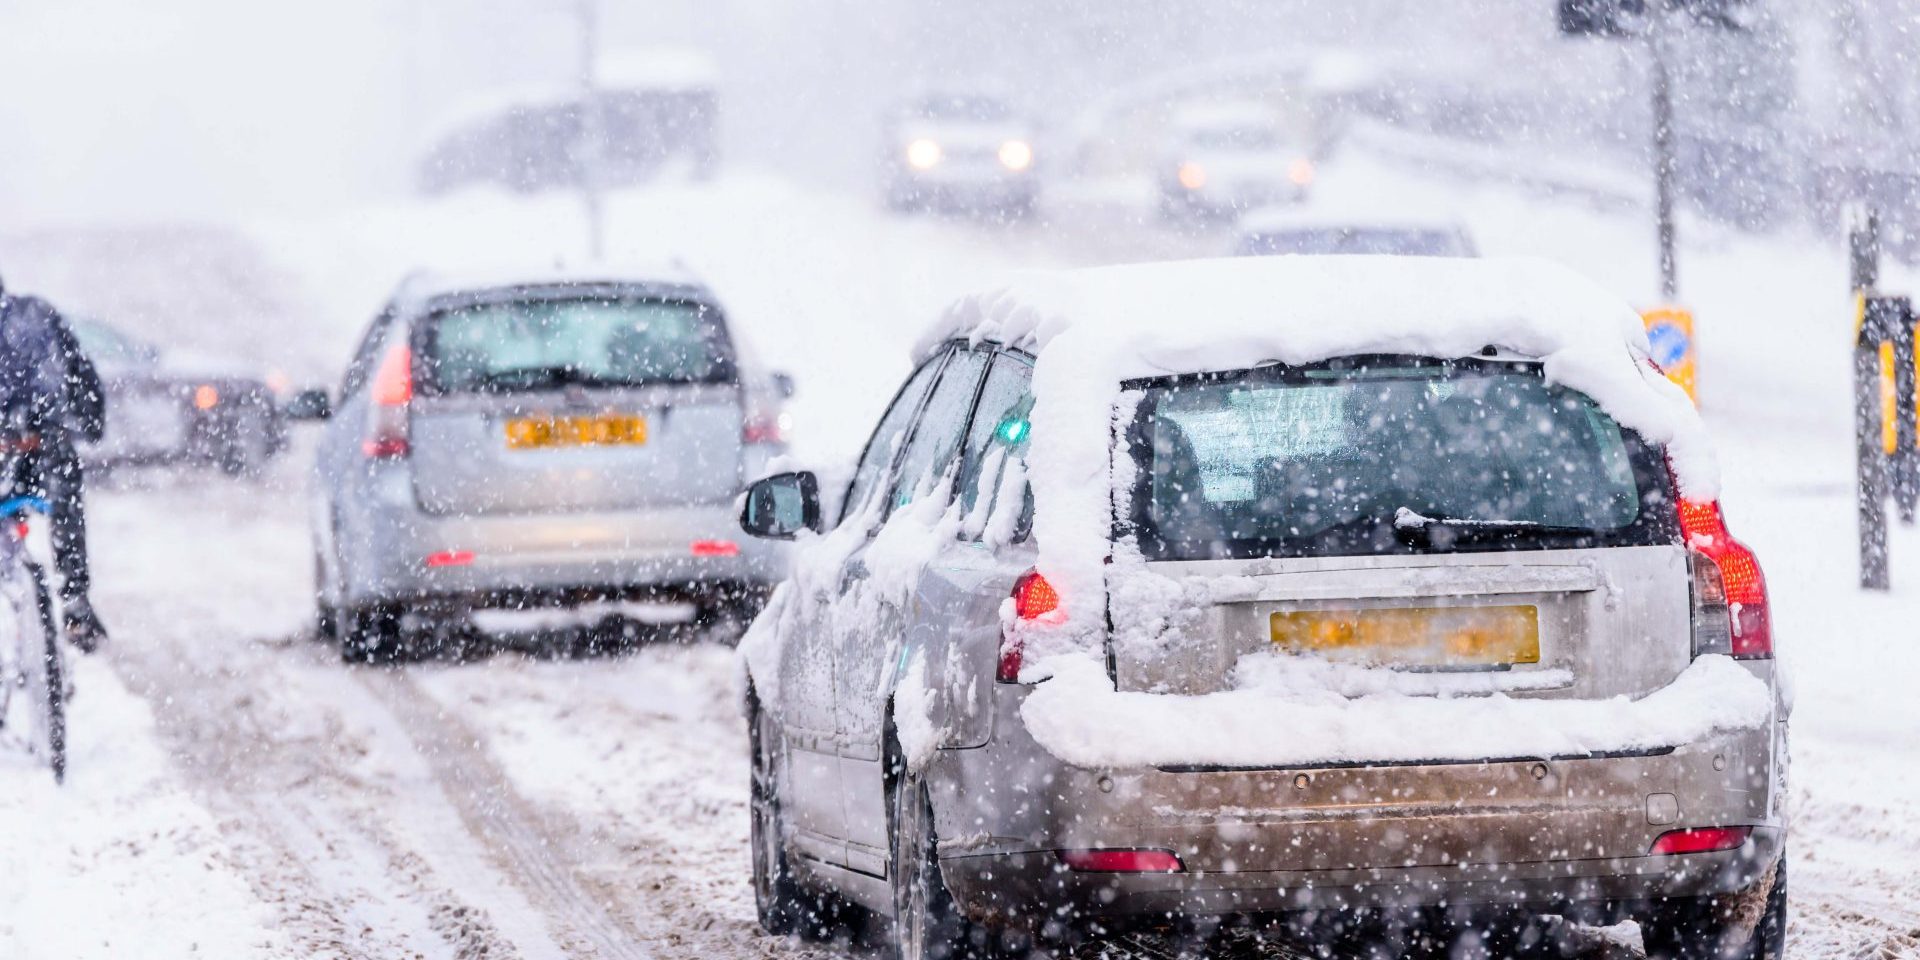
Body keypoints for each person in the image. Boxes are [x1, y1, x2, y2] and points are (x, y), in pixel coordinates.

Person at [0, 271, 108, 651]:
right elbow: (81, 372)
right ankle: (75, 601)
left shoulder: (33, 316)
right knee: (65, 493)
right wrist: (91, 422)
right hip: (41, 445)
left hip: (23, 447)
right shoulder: (36, 314)